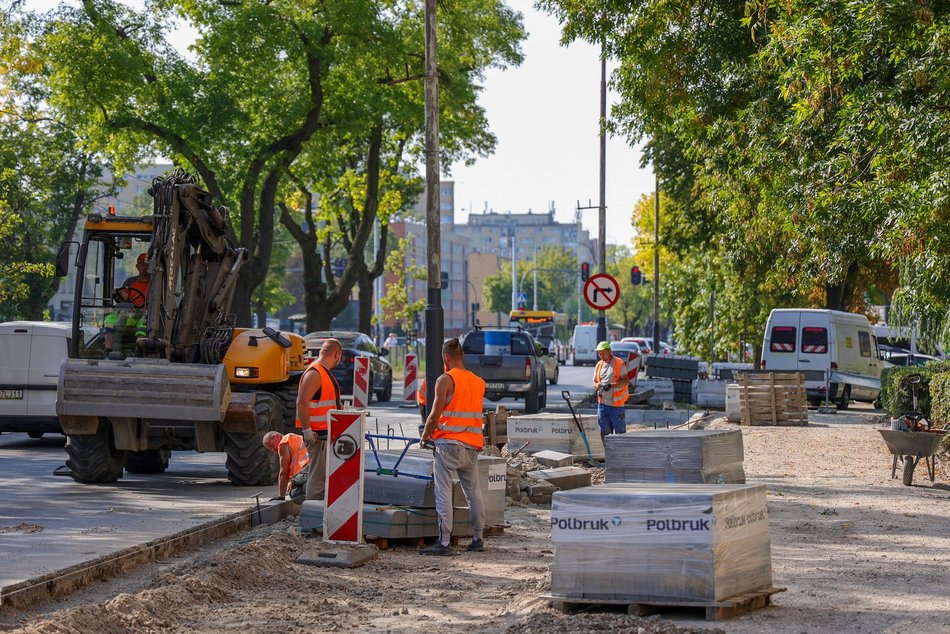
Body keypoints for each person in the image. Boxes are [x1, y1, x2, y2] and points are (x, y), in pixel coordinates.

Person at [419, 338, 486, 556]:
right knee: (474, 493)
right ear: (462, 356)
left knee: (444, 492)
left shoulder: (445, 380)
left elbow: (434, 416)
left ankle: (444, 542)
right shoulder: (478, 382)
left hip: (448, 445)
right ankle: (478, 538)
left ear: (445, 358)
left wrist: (425, 436)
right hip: (471, 446)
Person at [295, 338, 343, 501]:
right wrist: (307, 431)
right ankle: (313, 516)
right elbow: (302, 402)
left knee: (322, 477)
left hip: (324, 434)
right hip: (317, 436)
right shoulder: (315, 373)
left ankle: (317, 513)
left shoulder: (323, 373)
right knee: (317, 478)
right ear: (337, 354)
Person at [104, 252, 151, 350]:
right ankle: (108, 348)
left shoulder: (156, 284)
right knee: (110, 318)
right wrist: (117, 293)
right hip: (130, 314)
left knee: (143, 324)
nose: (145, 268)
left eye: (148, 265)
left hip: (146, 314)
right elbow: (123, 299)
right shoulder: (131, 282)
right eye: (143, 265)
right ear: (137, 266)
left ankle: (140, 350)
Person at [593, 341, 630, 442]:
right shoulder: (599, 365)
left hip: (617, 406)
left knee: (620, 434)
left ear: (610, 351)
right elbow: (595, 382)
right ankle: (608, 454)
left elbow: (626, 381)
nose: (602, 356)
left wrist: (611, 386)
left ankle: (620, 455)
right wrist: (598, 385)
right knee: (604, 432)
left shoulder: (619, 363)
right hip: (602, 405)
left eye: (604, 353)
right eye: (599, 354)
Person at [262, 431, 310, 500]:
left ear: (276, 436)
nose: (273, 450)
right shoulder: (295, 438)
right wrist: (293, 482)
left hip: (307, 473)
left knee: (295, 494)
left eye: (272, 445)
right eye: (270, 449)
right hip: (313, 469)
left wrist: (281, 496)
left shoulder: (283, 444)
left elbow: (283, 473)